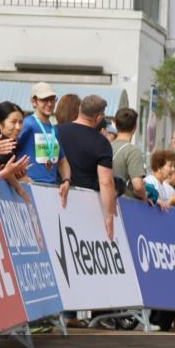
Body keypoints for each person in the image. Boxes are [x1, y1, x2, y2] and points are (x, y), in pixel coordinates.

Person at [56, 95, 117, 240]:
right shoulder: (101, 143)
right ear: (99, 117)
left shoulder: (55, 131)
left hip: (55, 196)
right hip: (86, 206)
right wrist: (109, 215)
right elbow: (106, 181)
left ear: (79, 110)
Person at [16, 82, 71, 203]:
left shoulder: (53, 129)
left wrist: (66, 181)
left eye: (52, 99)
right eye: (44, 100)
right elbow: (9, 151)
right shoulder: (27, 124)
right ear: (33, 101)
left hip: (51, 189)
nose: (50, 104)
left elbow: (62, 160)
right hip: (28, 188)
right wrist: (21, 176)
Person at [110, 108, 149, 202]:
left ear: (115, 124)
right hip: (126, 205)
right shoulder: (133, 151)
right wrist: (145, 197)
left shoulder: (105, 146)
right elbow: (138, 186)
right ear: (135, 127)